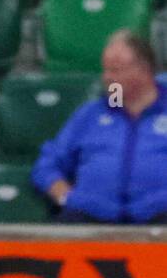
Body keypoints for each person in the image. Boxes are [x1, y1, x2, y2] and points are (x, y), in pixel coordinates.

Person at [32, 30, 167, 224]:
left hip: (160, 217)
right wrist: (66, 197)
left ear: (144, 70)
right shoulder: (91, 114)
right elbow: (47, 165)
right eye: (106, 70)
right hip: (89, 216)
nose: (107, 77)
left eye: (116, 70)